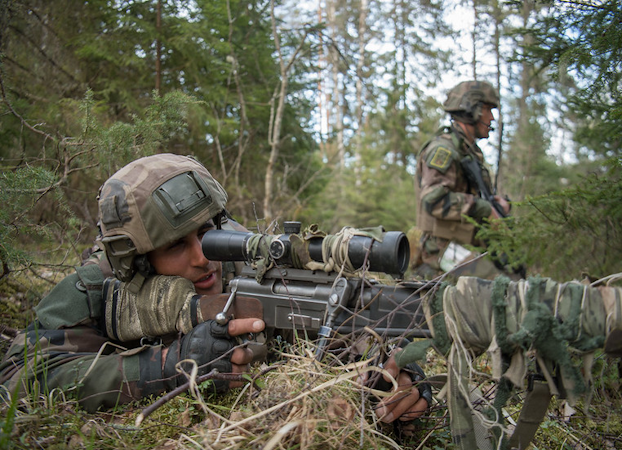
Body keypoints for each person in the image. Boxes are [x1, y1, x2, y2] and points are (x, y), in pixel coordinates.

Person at [0, 153, 428, 423]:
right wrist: (167, 365)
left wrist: (396, 374)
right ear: (138, 261)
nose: (203, 256)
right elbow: (20, 374)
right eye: (175, 246)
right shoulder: (101, 285)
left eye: (207, 233)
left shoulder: (245, 257)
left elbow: (337, 329)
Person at [411, 80, 515, 280]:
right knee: (501, 287)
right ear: (472, 109)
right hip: (439, 250)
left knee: (513, 276)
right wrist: (485, 208)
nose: (492, 117)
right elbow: (433, 199)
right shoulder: (444, 150)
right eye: (488, 110)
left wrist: (496, 205)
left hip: (465, 243)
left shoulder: (467, 151)